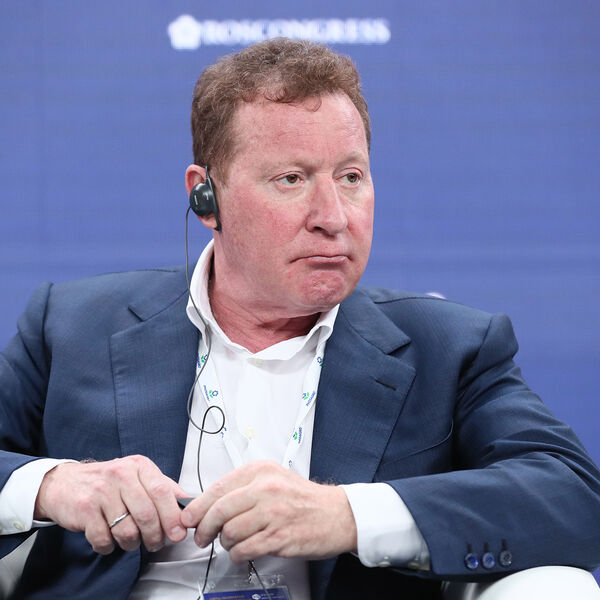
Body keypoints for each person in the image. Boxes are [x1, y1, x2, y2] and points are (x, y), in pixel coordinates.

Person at [1, 38, 599, 600]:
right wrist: (51, 485)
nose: (333, 217)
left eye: (351, 177)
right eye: (291, 179)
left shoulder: (449, 348)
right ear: (206, 196)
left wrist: (347, 515)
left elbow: (572, 494)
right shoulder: (73, 325)